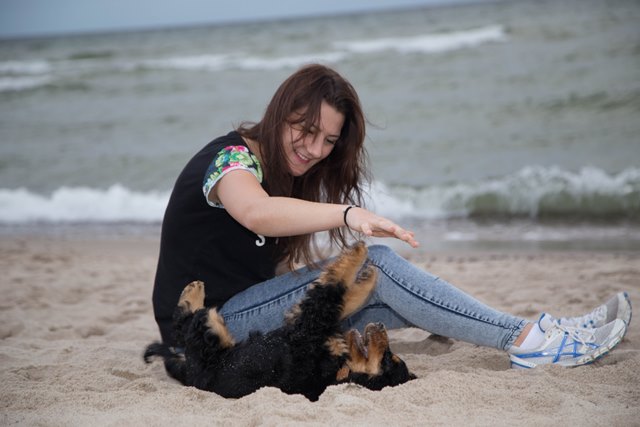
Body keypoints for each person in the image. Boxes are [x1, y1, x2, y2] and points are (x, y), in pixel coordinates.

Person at [152, 64, 631, 369]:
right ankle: (529, 341)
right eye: (305, 130)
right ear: (280, 113)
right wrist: (347, 214)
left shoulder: (285, 174)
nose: (314, 149)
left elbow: (268, 273)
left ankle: (542, 332)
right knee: (373, 264)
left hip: (239, 323)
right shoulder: (231, 159)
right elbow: (256, 214)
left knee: (377, 295)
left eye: (328, 141)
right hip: (201, 335)